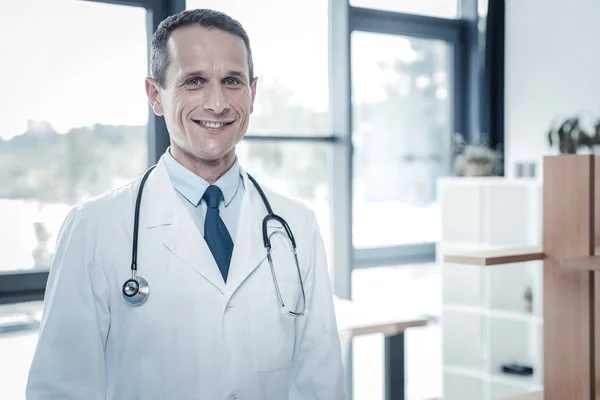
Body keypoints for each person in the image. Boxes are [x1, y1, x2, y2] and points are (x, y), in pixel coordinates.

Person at [26, 8, 346, 400]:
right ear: (155, 95)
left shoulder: (297, 225)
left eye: (232, 81)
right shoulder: (95, 227)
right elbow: (61, 389)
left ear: (253, 93)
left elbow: (321, 383)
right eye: (195, 81)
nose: (217, 103)